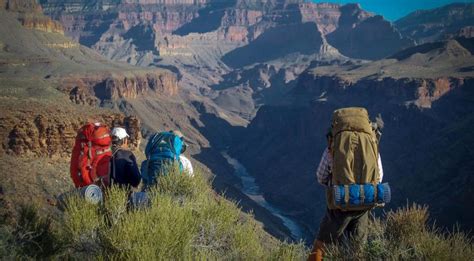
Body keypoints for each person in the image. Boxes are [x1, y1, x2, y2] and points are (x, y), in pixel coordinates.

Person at [308, 108, 384, 261]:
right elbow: (379, 176)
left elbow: (320, 176)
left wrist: (336, 182)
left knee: (321, 246)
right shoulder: (372, 146)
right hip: (363, 204)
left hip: (339, 206)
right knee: (357, 251)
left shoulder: (333, 148)